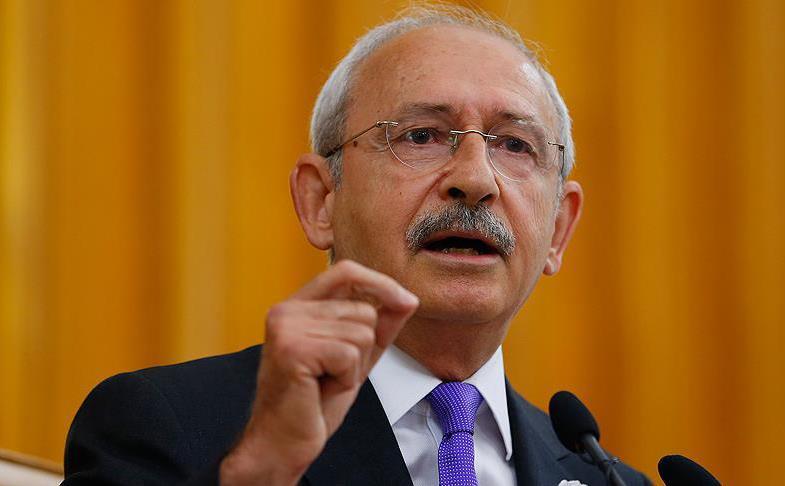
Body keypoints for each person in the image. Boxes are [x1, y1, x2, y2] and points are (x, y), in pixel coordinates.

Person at [63, 5, 651, 485]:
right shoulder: (167, 427)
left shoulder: (607, 478)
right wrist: (262, 472)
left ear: (558, 229)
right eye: (421, 136)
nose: (475, 179)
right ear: (321, 200)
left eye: (515, 146)